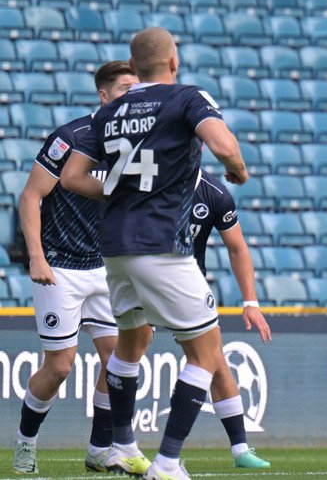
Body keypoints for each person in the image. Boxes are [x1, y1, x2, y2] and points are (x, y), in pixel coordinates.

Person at [61, 26, 249, 480]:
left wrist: (117, 192)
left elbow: (70, 177)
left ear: (135, 65)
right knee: (206, 354)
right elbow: (223, 145)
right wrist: (236, 169)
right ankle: (166, 462)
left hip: (115, 247)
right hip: (163, 245)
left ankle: (123, 444)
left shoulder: (108, 113)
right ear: (173, 62)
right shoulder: (186, 97)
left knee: (128, 348)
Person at [13, 62, 137, 474]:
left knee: (118, 362)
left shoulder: (137, 143)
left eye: (137, 88)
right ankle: (26, 442)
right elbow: (31, 197)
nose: (131, 95)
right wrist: (36, 256)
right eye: (123, 89)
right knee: (60, 366)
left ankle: (100, 448)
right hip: (60, 267)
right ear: (103, 96)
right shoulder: (71, 138)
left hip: (106, 268)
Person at [188, 171, 272, 469]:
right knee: (122, 355)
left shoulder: (214, 193)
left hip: (187, 284)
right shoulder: (149, 178)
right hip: (143, 280)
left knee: (216, 362)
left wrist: (250, 302)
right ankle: (112, 444)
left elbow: (237, 248)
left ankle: (240, 449)